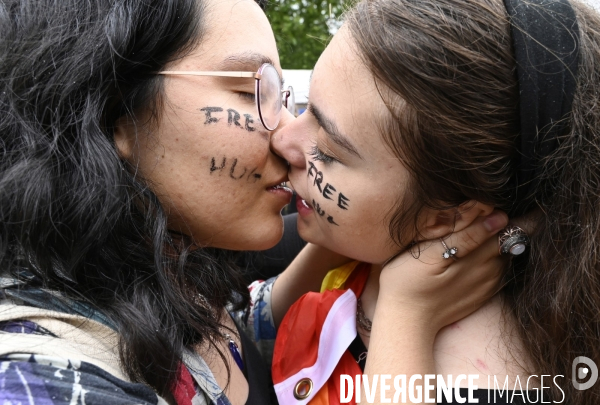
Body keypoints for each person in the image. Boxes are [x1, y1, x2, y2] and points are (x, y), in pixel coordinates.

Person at [0, 0, 507, 404]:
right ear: (114, 109)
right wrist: (407, 319)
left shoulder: (170, 264)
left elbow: (248, 337)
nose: (288, 136)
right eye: (251, 89)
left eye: (282, 94)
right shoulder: (45, 379)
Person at [270, 0, 600, 403]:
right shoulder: (378, 240)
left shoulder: (490, 386)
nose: (282, 140)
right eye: (306, 110)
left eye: (329, 151)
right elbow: (276, 316)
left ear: (447, 217)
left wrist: (406, 314)